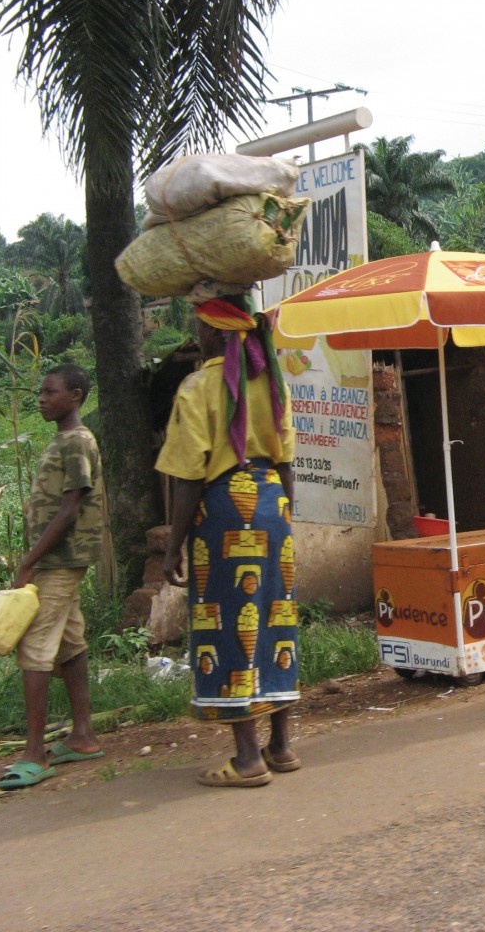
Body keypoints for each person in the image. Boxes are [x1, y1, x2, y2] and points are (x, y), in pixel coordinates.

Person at [160, 295, 300, 787]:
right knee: (275, 617)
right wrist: (285, 519)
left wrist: (174, 545)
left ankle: (246, 759)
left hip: (223, 511)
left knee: (226, 625)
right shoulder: (272, 384)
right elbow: (286, 464)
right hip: (273, 506)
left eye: (198, 327)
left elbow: (187, 479)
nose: (194, 336)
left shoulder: (198, 387)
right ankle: (280, 746)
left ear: (216, 332)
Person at [0, 365, 105, 790]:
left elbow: (70, 508)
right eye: (40, 391)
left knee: (35, 645)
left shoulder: (77, 441)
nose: (40, 398)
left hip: (60, 559)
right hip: (59, 559)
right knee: (69, 642)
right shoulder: (64, 440)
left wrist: (28, 562)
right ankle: (83, 735)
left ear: (75, 395)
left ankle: (34, 752)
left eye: (49, 391)